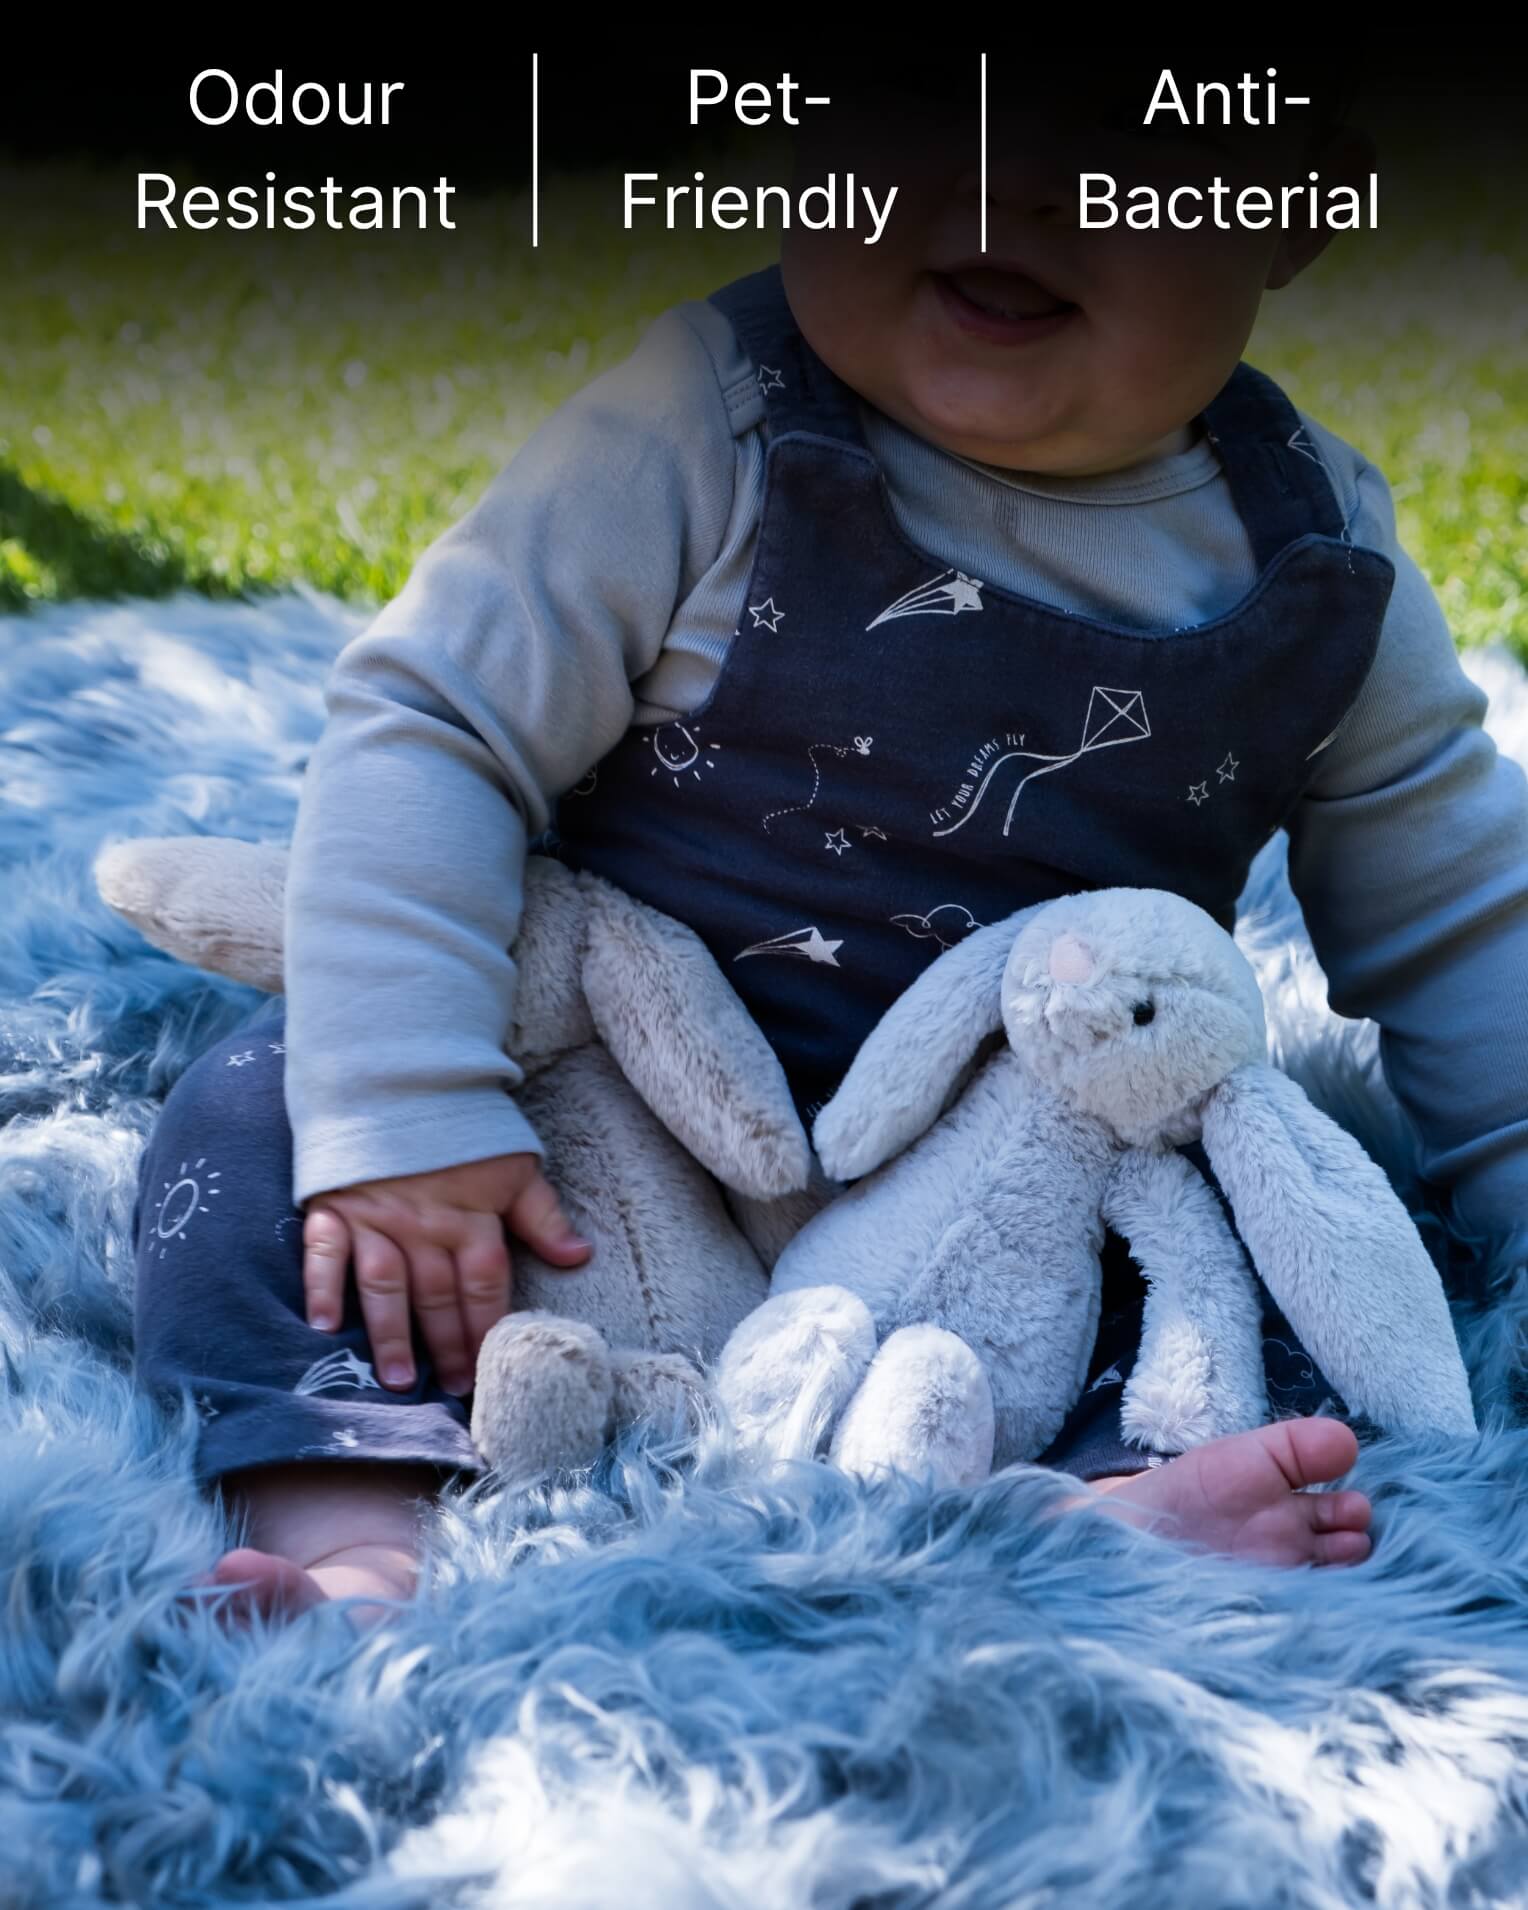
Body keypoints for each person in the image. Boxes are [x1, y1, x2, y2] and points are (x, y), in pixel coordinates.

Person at [134, 61, 1526, 1617]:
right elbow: (433, 724)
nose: (1007, 178)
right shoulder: (709, 430)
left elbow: (1466, 919)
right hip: (603, 1133)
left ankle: (1087, 1503)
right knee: (275, 1114)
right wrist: (412, 1110)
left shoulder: (1320, 567)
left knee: (1251, 1221)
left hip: (1012, 1197)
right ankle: (363, 1528)